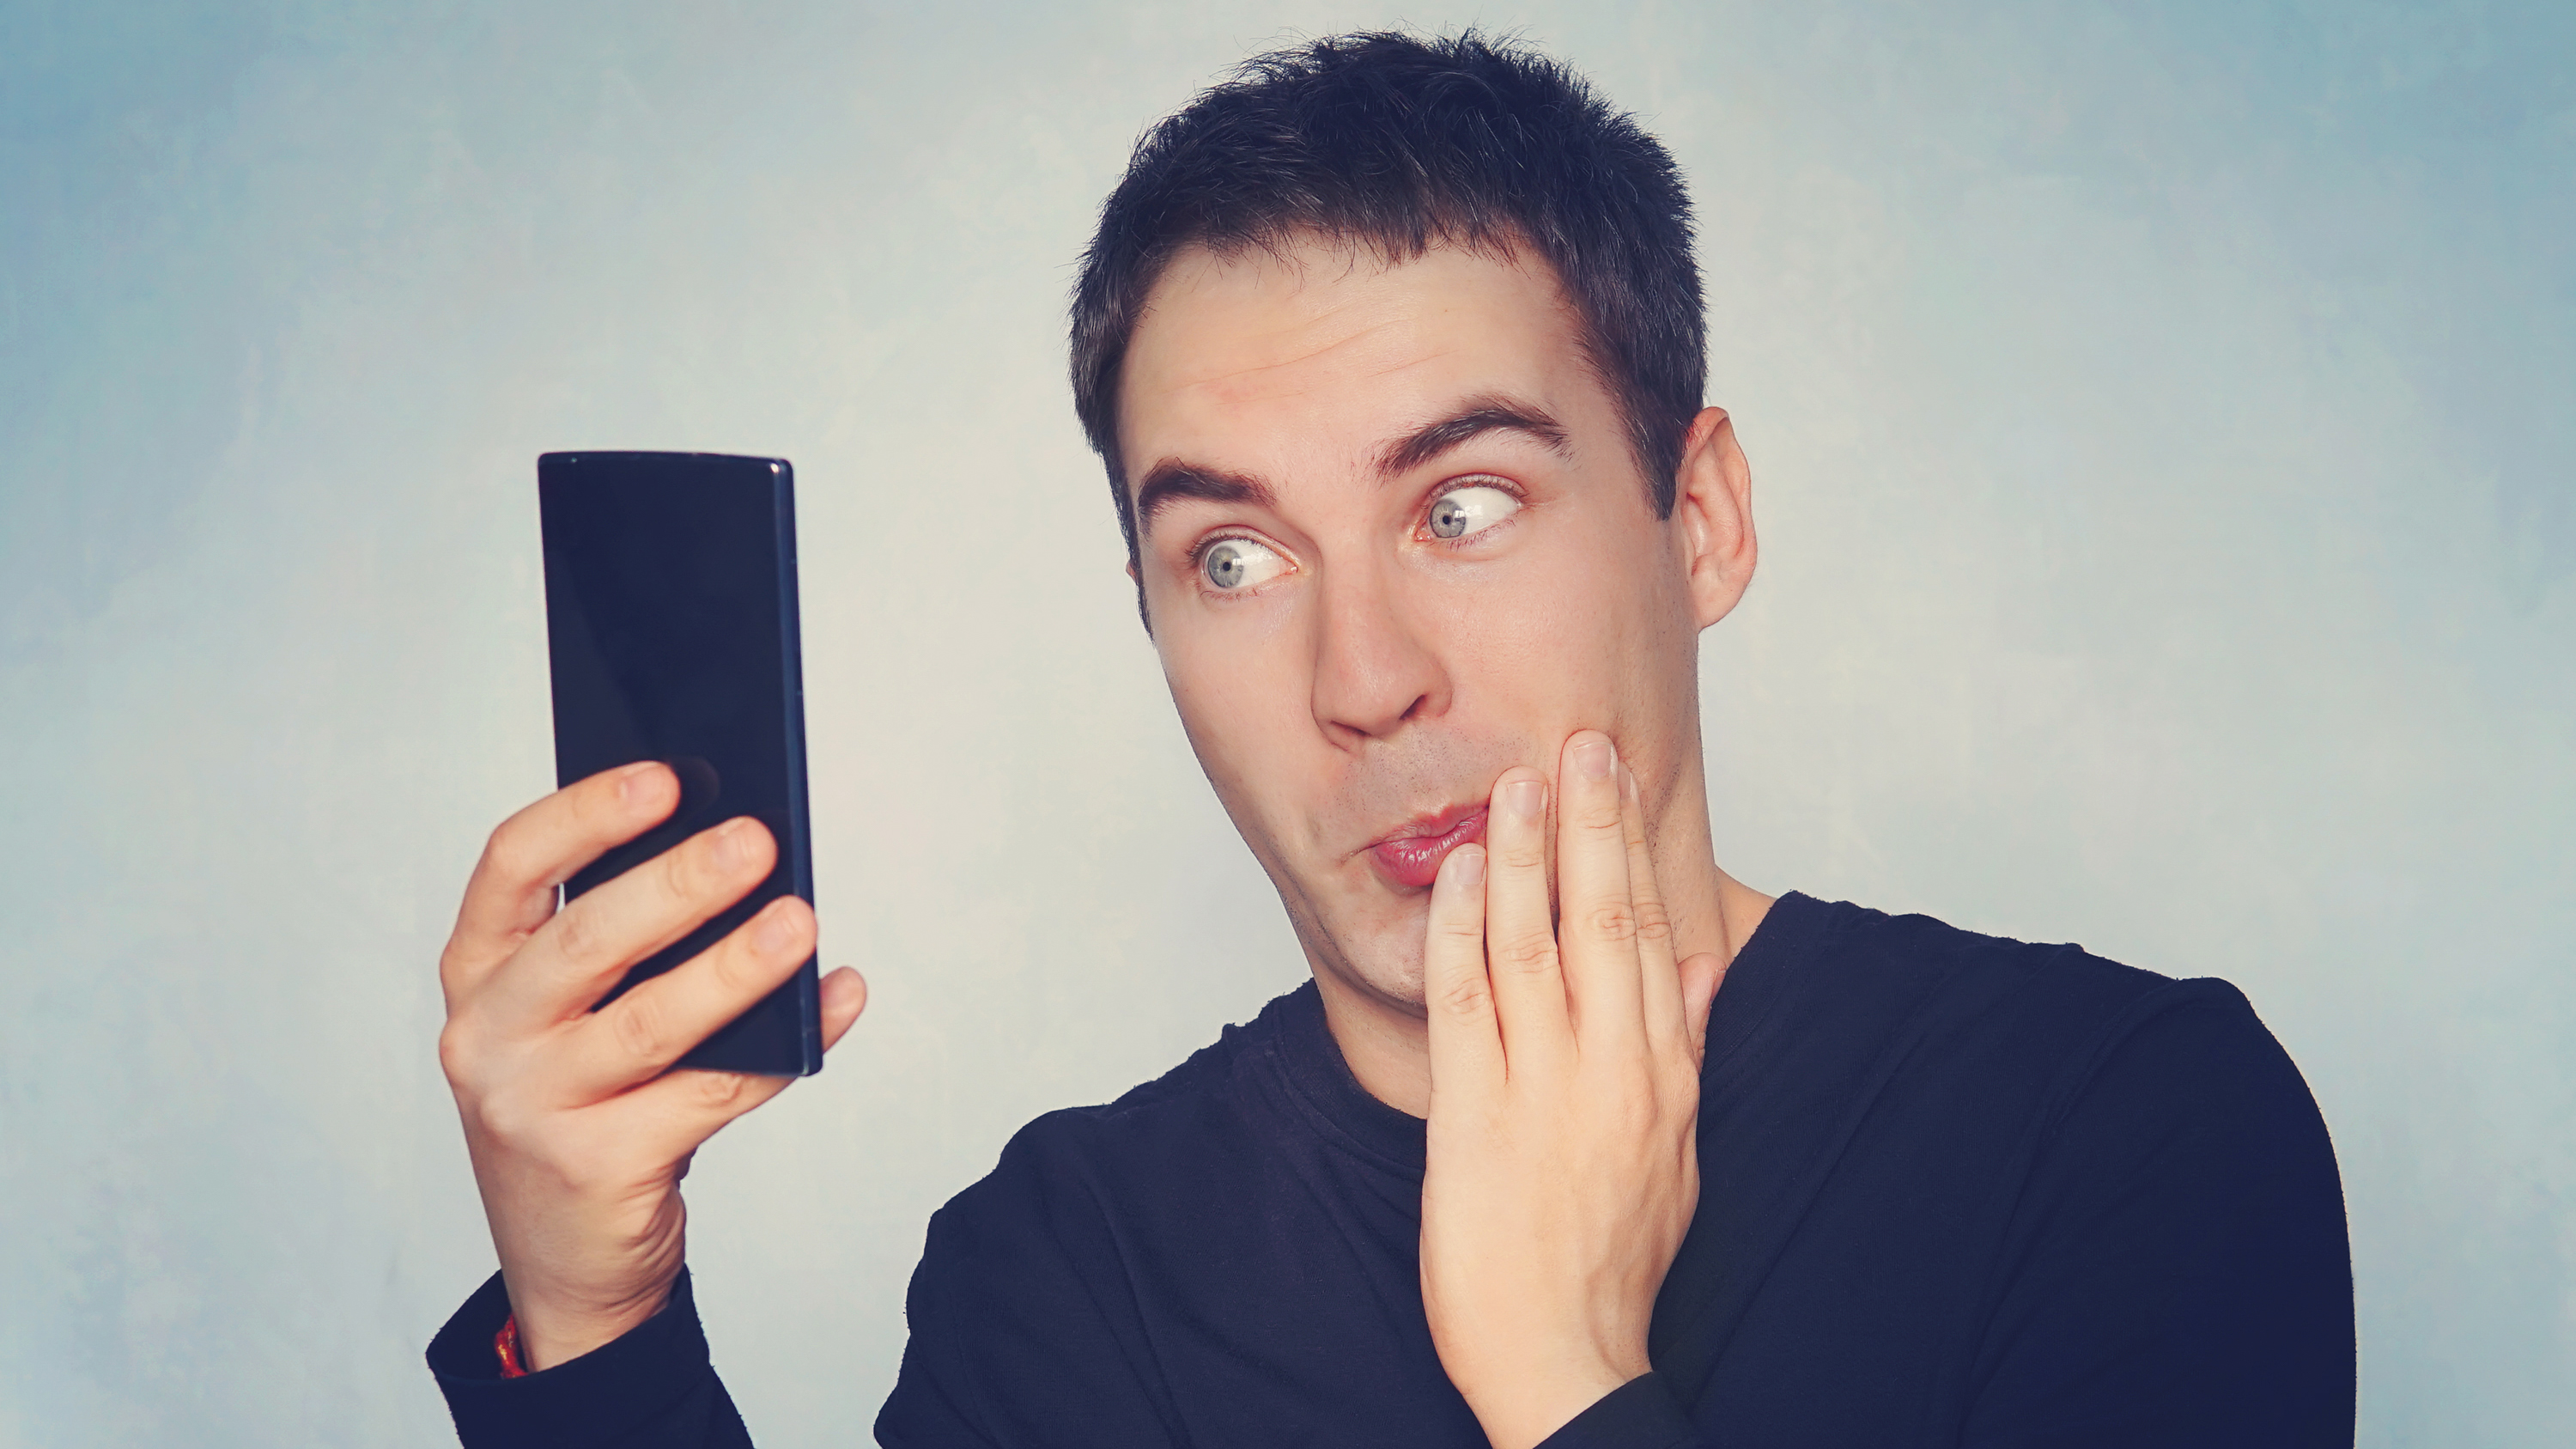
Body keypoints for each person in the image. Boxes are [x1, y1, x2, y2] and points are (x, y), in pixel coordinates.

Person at [425, 31, 2355, 1449]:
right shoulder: (1067, 1264)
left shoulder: (2120, 1128)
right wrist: (593, 1333)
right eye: (1237, 553)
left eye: (1463, 507)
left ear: (1703, 522)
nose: (1362, 677)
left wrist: (1564, 1374)